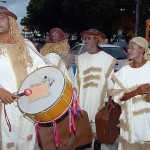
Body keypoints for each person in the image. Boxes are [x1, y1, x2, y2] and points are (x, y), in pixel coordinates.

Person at [0, 6, 47, 150]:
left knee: (28, 142)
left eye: (1, 18)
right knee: (8, 144)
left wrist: (39, 91)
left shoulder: (27, 46)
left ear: (11, 22)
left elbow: (42, 69)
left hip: (29, 102)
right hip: (6, 105)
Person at [75, 29, 117, 150]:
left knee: (97, 135)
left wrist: (110, 100)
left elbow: (110, 84)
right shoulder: (80, 59)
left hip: (99, 103)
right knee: (82, 136)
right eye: (84, 38)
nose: (85, 41)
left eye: (88, 38)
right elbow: (76, 84)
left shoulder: (107, 59)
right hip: (82, 101)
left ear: (97, 40)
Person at [112, 37, 150, 150]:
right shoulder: (124, 71)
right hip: (131, 124)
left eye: (132, 48)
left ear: (142, 50)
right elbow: (117, 97)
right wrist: (136, 92)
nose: (128, 50)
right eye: (128, 48)